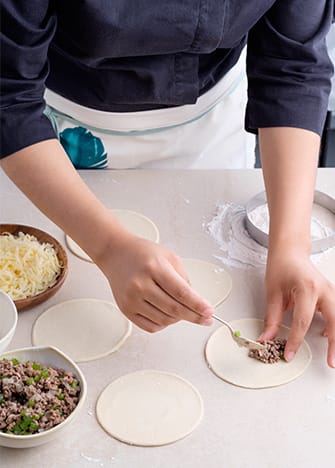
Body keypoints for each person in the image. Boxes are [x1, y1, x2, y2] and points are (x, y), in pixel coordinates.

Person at [1, 1, 335, 367]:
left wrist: (290, 246)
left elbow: (293, 68)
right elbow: (8, 97)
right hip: (55, 135)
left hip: (210, 124)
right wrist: (109, 247)